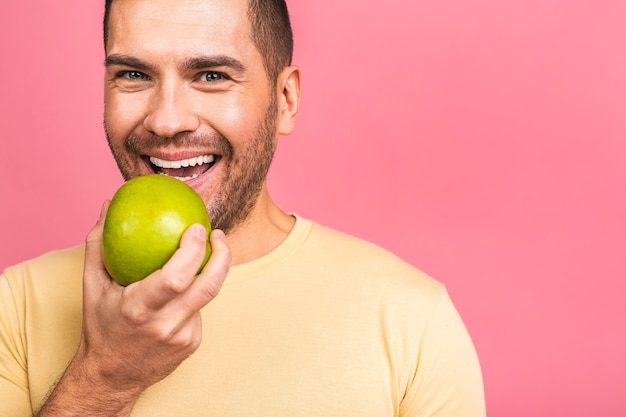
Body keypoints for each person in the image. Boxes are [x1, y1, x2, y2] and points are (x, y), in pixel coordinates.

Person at [0, 0, 486, 415]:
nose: (167, 120)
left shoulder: (412, 321)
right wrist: (104, 378)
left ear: (285, 99)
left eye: (211, 75)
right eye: (133, 74)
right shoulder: (14, 306)